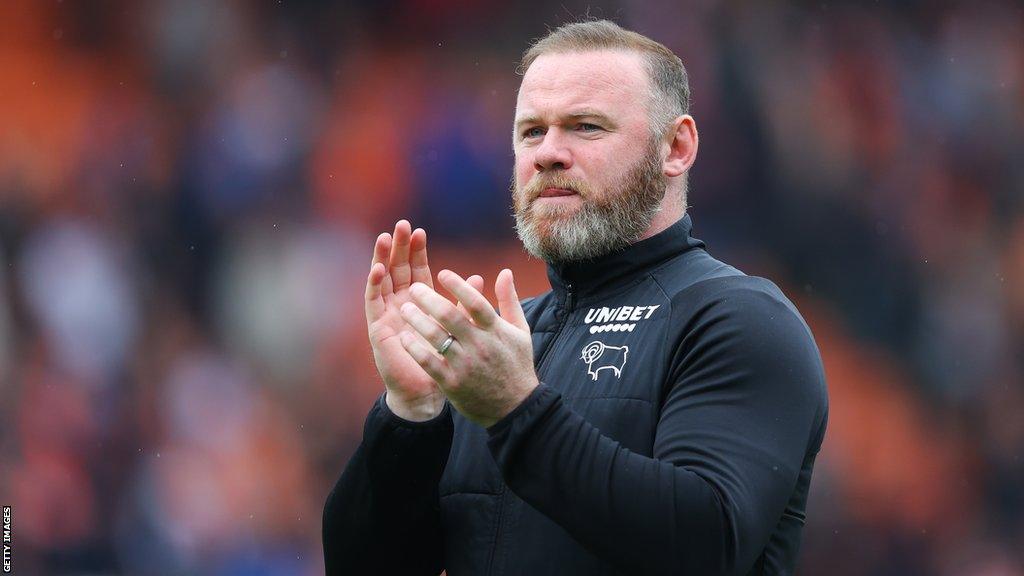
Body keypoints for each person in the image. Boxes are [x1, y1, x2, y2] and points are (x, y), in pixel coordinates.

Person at [323, 19, 828, 576]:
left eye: (586, 127)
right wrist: (409, 416)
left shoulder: (738, 320)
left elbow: (705, 544)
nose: (548, 154)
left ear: (677, 147)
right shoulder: (492, 351)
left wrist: (518, 413)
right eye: (531, 132)